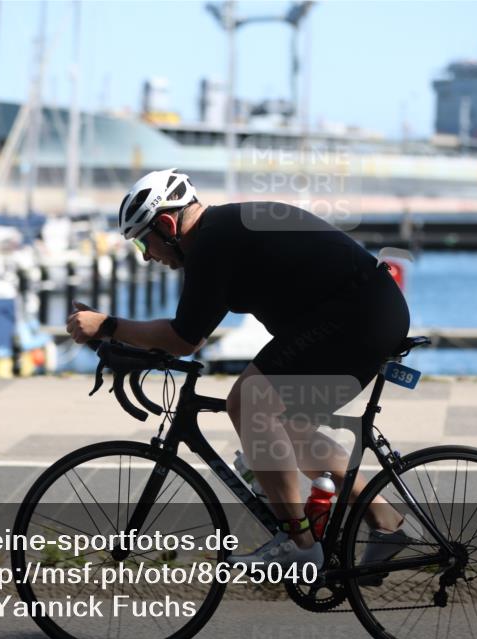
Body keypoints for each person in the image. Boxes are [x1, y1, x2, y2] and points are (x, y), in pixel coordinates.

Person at [67, 168, 419, 571]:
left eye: (144, 242)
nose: (148, 256)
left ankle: (299, 543)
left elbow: (184, 340)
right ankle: (386, 523)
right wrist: (120, 338)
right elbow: (189, 336)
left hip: (360, 317)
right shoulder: (220, 233)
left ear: (167, 225)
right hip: (368, 312)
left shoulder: (212, 243)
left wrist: (109, 326)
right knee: (283, 427)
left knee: (249, 401)